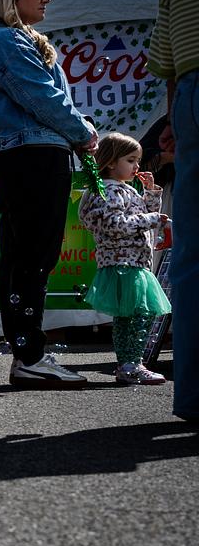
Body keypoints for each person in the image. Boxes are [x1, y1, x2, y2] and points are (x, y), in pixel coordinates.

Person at [0, 0, 98, 389]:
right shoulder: (5, 41)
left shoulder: (7, 41)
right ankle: (30, 355)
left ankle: (29, 352)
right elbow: (43, 98)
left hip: (26, 152)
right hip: (31, 154)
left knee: (29, 256)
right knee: (33, 256)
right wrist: (84, 131)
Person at [147, 0, 198, 420]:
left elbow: (164, 54)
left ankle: (192, 392)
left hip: (189, 91)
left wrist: (176, 122)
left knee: (190, 253)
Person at [78, 133, 171, 385]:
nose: (137, 167)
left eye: (138, 161)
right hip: (125, 263)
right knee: (140, 315)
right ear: (110, 163)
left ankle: (128, 365)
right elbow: (115, 224)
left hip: (131, 262)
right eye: (131, 160)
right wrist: (155, 219)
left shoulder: (122, 189)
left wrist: (151, 193)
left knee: (128, 317)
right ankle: (132, 364)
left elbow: (139, 214)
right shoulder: (111, 190)